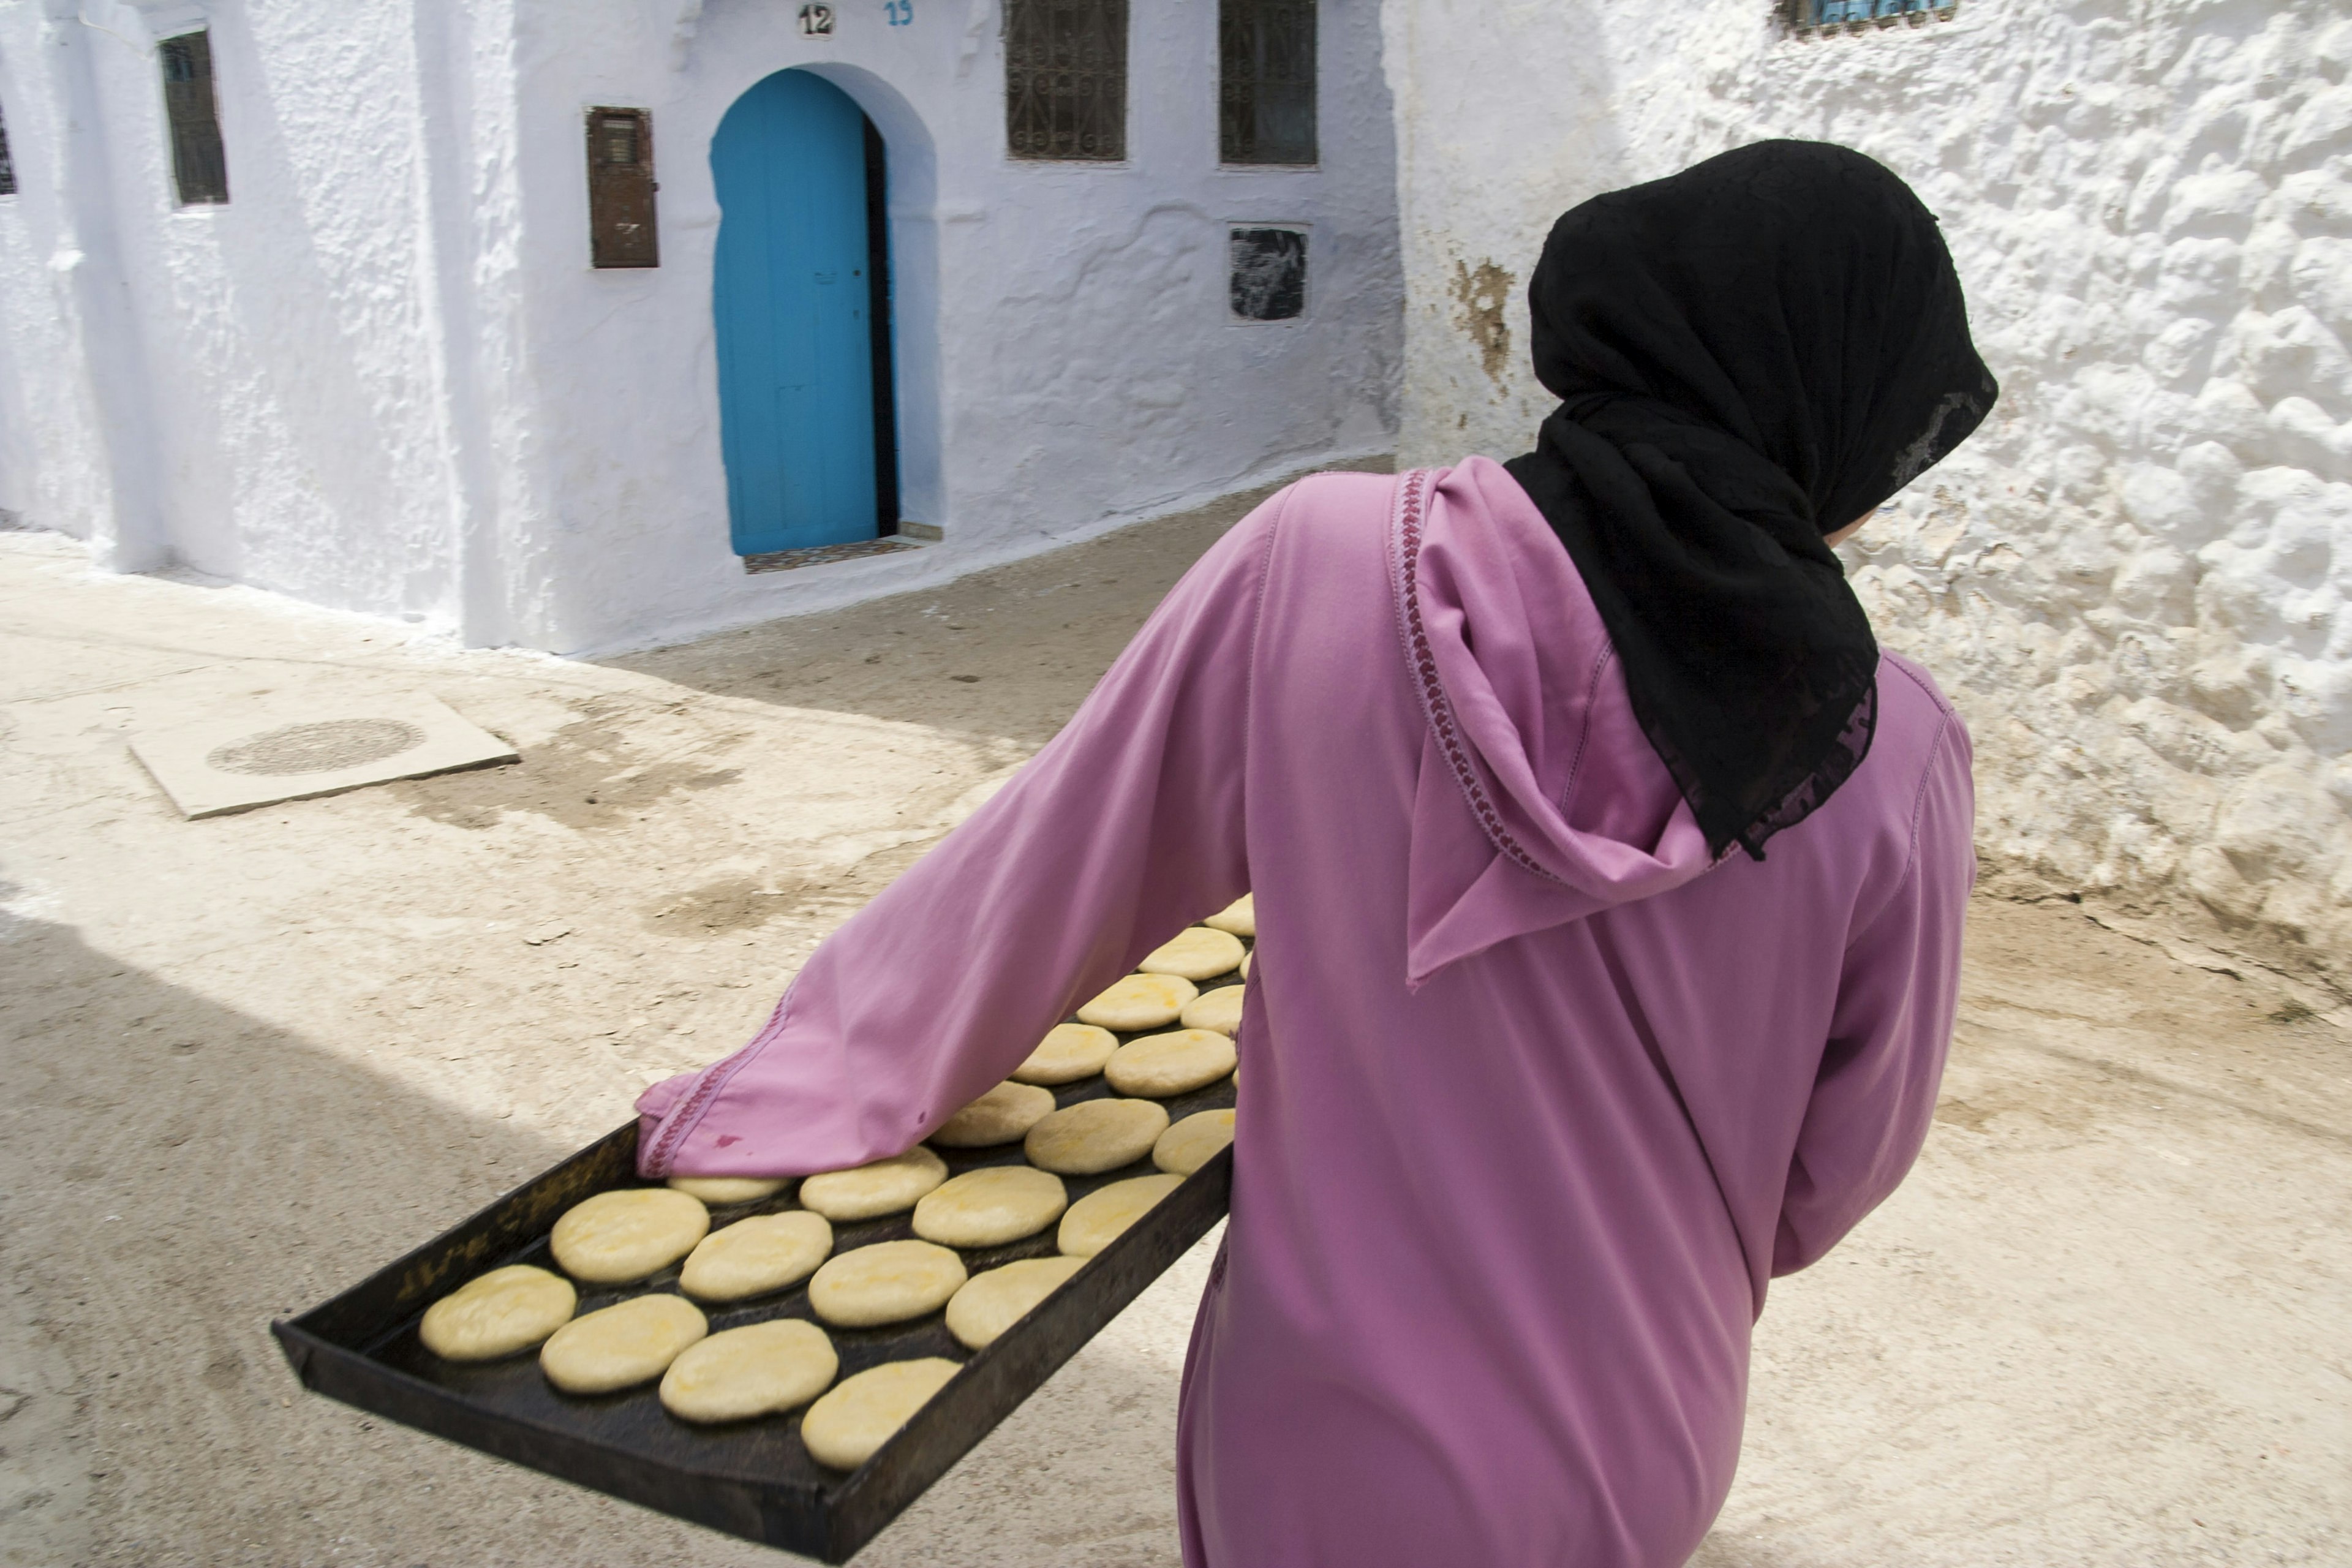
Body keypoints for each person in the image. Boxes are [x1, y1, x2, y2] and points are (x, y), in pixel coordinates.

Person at [635, 140, 1998, 1566]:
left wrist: (807, 1079)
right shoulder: (1891, 749)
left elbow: (1043, 883)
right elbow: (1834, 1172)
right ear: (1816, 395)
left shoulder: (1322, 566)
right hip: (1638, 1433)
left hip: (1317, 1443)